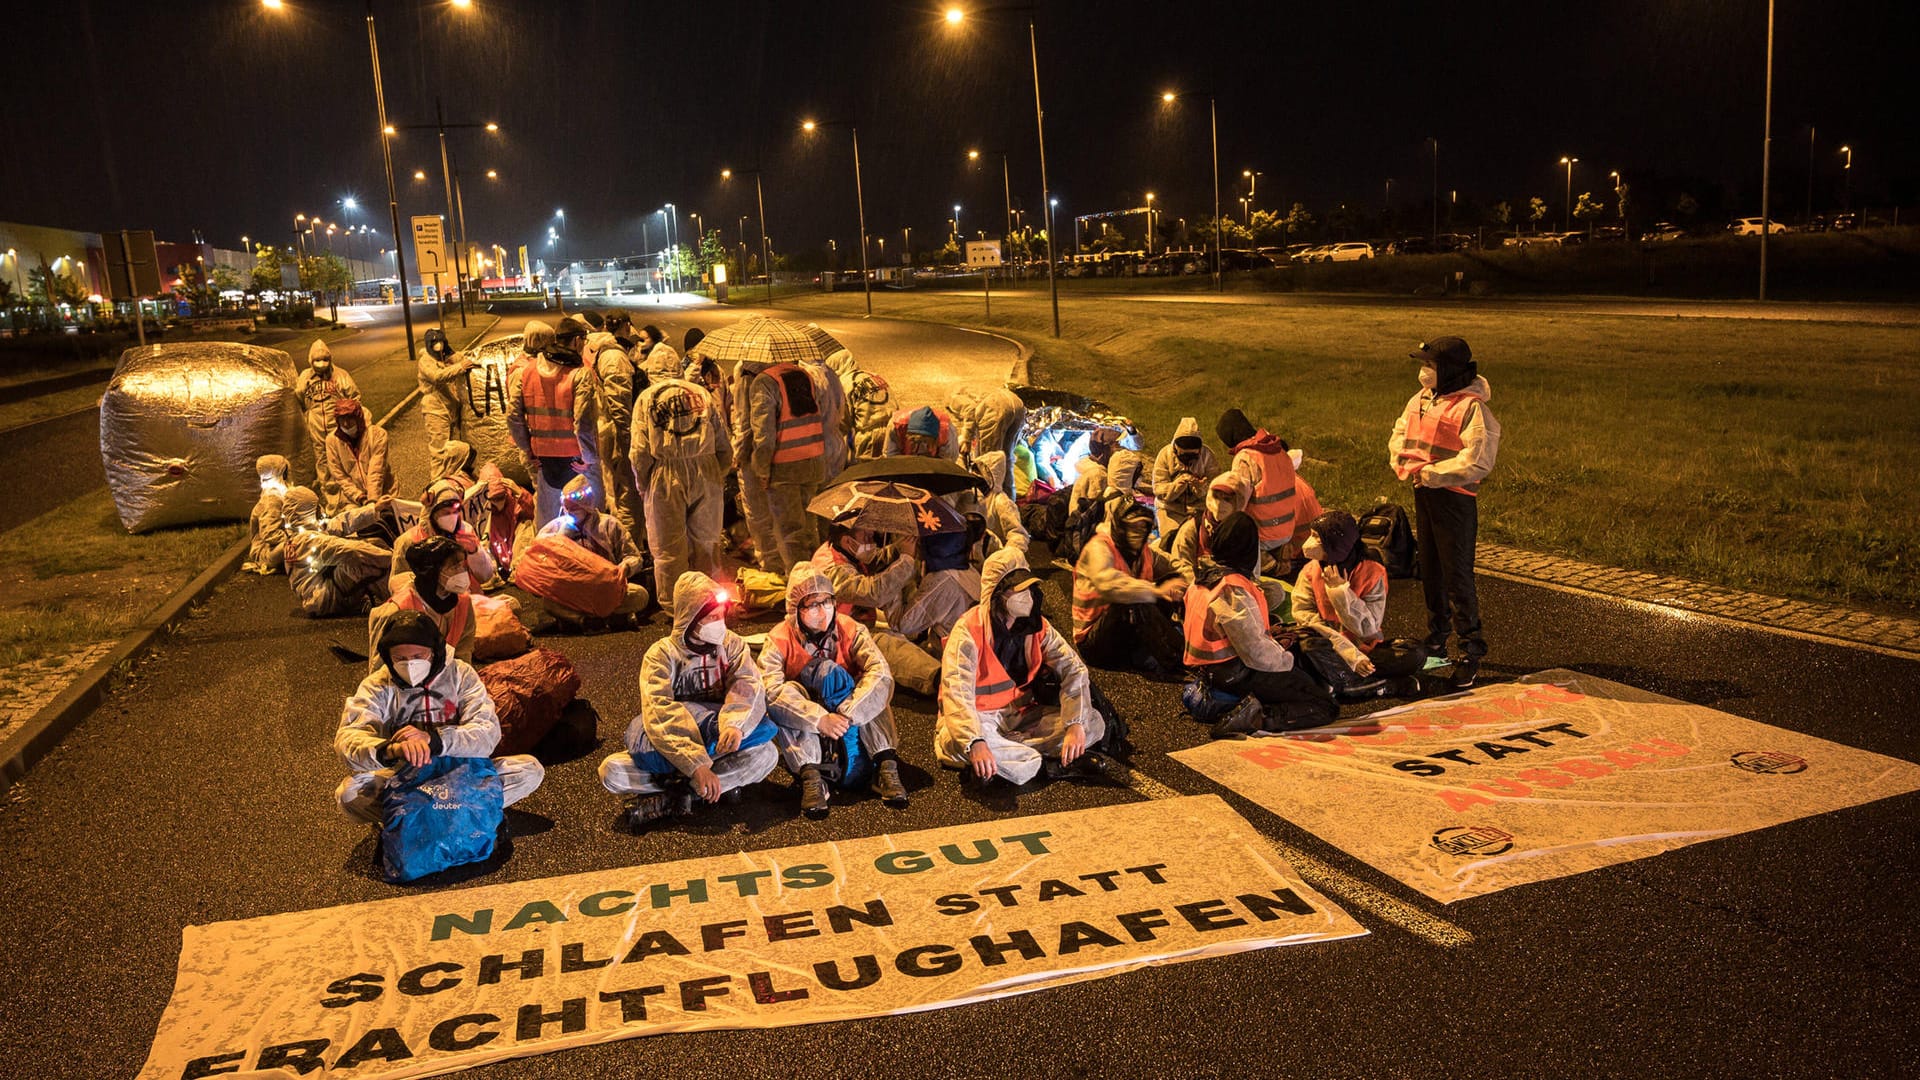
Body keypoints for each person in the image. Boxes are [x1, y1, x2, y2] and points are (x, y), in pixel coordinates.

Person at [598, 572, 780, 829]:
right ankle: (706, 786)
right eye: (712, 617)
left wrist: (734, 725)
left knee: (767, 755)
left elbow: (747, 685)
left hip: (716, 736)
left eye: (721, 615)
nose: (720, 623)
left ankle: (677, 796)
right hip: (675, 744)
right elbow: (659, 710)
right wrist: (696, 765)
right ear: (691, 618)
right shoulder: (661, 655)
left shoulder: (732, 645)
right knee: (611, 771)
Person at [936, 548, 1127, 786]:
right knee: (954, 742)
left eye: (1028, 588)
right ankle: (1047, 765)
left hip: (1019, 717)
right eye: (1018, 590)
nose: (1027, 595)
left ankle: (1005, 762)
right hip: (978, 719)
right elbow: (957, 695)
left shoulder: (1037, 626)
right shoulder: (968, 632)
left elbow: (1073, 669)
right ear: (996, 595)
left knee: (1094, 723)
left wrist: (1075, 725)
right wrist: (975, 741)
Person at [333, 611, 544, 825]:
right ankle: (461, 811)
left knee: (528, 770)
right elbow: (347, 739)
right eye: (400, 659)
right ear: (388, 657)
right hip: (405, 778)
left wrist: (434, 741)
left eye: (418, 657)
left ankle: (417, 818)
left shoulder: (461, 675)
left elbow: (488, 732)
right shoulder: (377, 685)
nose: (410, 665)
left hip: (461, 772)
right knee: (349, 793)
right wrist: (391, 749)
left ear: (434, 652)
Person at [1389, 335, 1501, 688]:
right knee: (1432, 569)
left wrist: (1434, 474)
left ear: (1449, 371)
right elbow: (1401, 432)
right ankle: (1436, 638)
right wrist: (1403, 463)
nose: (1424, 372)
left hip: (1453, 499)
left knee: (1457, 575)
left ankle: (1471, 649)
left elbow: (1479, 457)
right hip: (1424, 492)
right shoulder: (1422, 399)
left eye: (1430, 366)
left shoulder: (1471, 408)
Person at [761, 560, 910, 818]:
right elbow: (771, 691)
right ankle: (811, 775)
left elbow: (880, 672)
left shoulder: (851, 628)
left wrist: (849, 713)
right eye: (813, 604)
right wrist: (819, 719)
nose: (823, 610)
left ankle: (885, 764)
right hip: (810, 712)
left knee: (875, 690)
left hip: (848, 710)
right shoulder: (778, 639)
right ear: (795, 608)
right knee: (786, 698)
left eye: (827, 601)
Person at [1185, 511, 1338, 737]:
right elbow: (1255, 652)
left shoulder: (1202, 579)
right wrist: (1288, 662)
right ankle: (1259, 718)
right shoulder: (1232, 589)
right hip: (1235, 673)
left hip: (1212, 669)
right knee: (1325, 706)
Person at [1292, 509, 1430, 698]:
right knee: (1306, 649)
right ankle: (1376, 685)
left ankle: (1340, 683)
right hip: (1329, 648)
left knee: (1414, 654)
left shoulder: (1373, 572)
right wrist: (1348, 655)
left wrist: (1340, 593)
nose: (1309, 542)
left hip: (1364, 650)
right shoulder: (1310, 571)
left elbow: (1368, 628)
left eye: (1316, 537)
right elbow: (1306, 619)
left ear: (1335, 545)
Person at [630, 372, 730, 614]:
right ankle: (709, 602)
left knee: (668, 545)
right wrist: (719, 472)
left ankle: (677, 607)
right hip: (705, 469)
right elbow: (722, 440)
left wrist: (644, 485)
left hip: (666, 473)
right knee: (707, 540)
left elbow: (640, 451)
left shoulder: (646, 398)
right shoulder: (701, 394)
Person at [814, 520, 942, 696]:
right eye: (866, 537)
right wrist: (906, 559)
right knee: (888, 646)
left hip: (849, 623)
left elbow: (876, 559)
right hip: (832, 641)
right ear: (848, 541)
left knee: (897, 633)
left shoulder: (840, 549)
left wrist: (902, 546)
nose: (871, 541)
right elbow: (873, 593)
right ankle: (941, 680)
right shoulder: (831, 571)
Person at [1072, 491, 1187, 673]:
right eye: (1133, 527)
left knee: (1172, 581)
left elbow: (1170, 564)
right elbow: (1109, 584)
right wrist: (1156, 591)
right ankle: (1178, 662)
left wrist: (1192, 583)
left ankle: (1189, 646)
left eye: (1143, 528)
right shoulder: (1099, 548)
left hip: (1120, 632)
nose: (1138, 533)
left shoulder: (1143, 551)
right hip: (1094, 641)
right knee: (1135, 600)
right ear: (1120, 527)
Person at [507, 314, 600, 529]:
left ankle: (547, 558)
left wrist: (528, 450)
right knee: (586, 521)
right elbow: (583, 421)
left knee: (548, 524)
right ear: (577, 341)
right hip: (577, 461)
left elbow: (513, 415)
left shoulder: (526, 372)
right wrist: (589, 457)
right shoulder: (579, 374)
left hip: (545, 461)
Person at [748, 357, 829, 572]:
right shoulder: (804, 375)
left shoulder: (764, 382)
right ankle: (819, 577)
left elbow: (763, 434)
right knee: (810, 529)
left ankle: (801, 585)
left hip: (785, 467)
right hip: (813, 462)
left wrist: (762, 469)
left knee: (791, 532)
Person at [534, 475, 651, 624]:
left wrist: (626, 567)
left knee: (640, 595)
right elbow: (538, 554)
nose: (568, 512)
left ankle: (583, 619)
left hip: (606, 589)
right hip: (573, 590)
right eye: (566, 508)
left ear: (586, 506)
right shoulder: (555, 528)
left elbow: (634, 557)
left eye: (574, 508)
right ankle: (590, 620)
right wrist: (561, 539)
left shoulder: (609, 525)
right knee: (548, 602)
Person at [1169, 472, 1290, 615]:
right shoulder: (1194, 526)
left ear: (1239, 501)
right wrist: (1203, 583)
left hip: (1234, 585)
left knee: (1275, 592)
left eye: (1227, 499)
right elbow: (1179, 563)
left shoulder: (1244, 529)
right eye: (1216, 497)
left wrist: (1246, 587)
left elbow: (1253, 569)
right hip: (1201, 586)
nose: (1220, 504)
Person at [370, 535, 477, 671]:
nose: (462, 573)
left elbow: (464, 652)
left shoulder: (463, 603)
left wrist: (463, 683)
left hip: (446, 679)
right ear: (431, 572)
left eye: (462, 566)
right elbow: (380, 668)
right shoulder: (399, 610)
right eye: (454, 568)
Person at [282, 486, 393, 617]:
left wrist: (374, 509)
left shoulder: (300, 532)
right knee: (365, 564)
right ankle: (396, 599)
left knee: (373, 544)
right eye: (316, 507)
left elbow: (341, 522)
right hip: (322, 599)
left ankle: (390, 594)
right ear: (307, 511)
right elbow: (349, 550)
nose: (320, 509)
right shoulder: (306, 541)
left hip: (321, 592)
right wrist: (393, 558)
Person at [587, 315, 646, 542]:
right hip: (619, 435)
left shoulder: (612, 353)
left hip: (613, 432)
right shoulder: (614, 357)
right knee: (629, 495)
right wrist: (628, 441)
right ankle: (630, 546)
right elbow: (619, 404)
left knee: (625, 492)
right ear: (625, 326)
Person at [1218, 407, 1300, 562]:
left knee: (1227, 549)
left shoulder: (1246, 457)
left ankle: (1268, 566)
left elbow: (1238, 501)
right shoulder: (1278, 450)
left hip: (1262, 535)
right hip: (1288, 531)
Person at [390, 478, 495, 591]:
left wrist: (475, 553)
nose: (452, 517)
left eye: (455, 512)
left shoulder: (466, 532)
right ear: (431, 513)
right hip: (428, 605)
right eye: (446, 513)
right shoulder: (408, 541)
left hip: (468, 600)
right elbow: (396, 584)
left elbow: (485, 577)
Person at [293, 341, 357, 495]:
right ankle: (329, 492)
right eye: (317, 360)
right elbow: (299, 397)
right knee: (321, 455)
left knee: (341, 452)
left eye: (325, 360)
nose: (321, 364)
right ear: (311, 360)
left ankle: (348, 490)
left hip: (336, 419)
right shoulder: (305, 377)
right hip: (315, 420)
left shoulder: (341, 375)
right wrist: (308, 413)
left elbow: (354, 397)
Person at [946, 384, 1027, 490]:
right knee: (1007, 458)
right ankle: (1010, 498)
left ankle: (989, 500)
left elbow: (970, 410)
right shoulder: (972, 390)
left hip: (995, 407)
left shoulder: (952, 399)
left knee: (988, 462)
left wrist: (967, 438)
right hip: (1017, 403)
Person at [1152, 417, 1215, 543]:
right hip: (1170, 509)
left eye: (1193, 456)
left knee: (1201, 542)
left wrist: (1201, 488)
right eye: (1184, 455)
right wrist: (1175, 487)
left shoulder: (1207, 456)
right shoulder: (1165, 455)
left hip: (1198, 510)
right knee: (1171, 541)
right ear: (1175, 448)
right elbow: (1158, 488)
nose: (1188, 460)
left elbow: (1215, 487)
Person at [417, 327, 476, 454]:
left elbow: (460, 357)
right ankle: (439, 475)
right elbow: (437, 376)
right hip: (435, 408)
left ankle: (452, 473)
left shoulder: (444, 357)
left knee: (453, 450)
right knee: (440, 449)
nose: (439, 345)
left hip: (449, 407)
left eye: (441, 341)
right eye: (435, 343)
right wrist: (460, 367)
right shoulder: (426, 361)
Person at [474, 463, 537, 580]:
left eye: (501, 497)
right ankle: (491, 576)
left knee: (527, 526)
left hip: (513, 545)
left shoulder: (514, 498)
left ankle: (519, 569)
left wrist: (520, 493)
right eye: (494, 499)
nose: (498, 503)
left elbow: (535, 514)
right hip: (494, 548)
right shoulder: (479, 507)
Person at [827, 349, 892, 463]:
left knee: (868, 470)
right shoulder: (872, 375)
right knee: (887, 468)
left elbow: (844, 421)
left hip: (870, 434)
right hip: (891, 428)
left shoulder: (844, 384)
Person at [326, 399, 391, 507]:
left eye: (349, 419)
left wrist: (373, 501)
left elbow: (376, 470)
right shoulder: (332, 441)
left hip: (384, 492)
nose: (346, 424)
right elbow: (339, 476)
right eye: (342, 419)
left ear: (358, 418)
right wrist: (360, 498)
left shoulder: (377, 435)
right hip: (353, 499)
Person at [968, 450, 1030, 557]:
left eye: (980, 472)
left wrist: (1008, 554)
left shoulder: (1001, 501)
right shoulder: (970, 495)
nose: (976, 476)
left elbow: (1017, 533)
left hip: (993, 555)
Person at [244, 454, 292, 574]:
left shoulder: (281, 491)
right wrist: (293, 536)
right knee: (299, 543)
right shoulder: (272, 498)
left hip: (278, 543)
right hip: (266, 551)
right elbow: (270, 534)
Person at [1067, 427, 1120, 516]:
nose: (1120, 451)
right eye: (1116, 447)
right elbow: (1096, 512)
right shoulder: (1098, 476)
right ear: (1104, 453)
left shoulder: (1087, 465)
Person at [885, 404, 958, 461]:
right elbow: (891, 457)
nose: (919, 445)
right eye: (914, 440)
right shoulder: (896, 426)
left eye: (925, 441)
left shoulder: (947, 431)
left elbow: (947, 463)